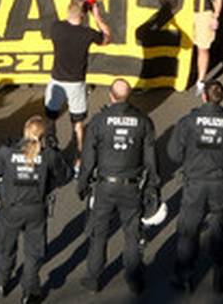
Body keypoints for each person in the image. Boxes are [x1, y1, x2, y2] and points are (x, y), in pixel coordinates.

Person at [76, 78, 159, 295]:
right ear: (128, 96)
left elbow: (88, 157)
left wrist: (82, 183)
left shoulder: (99, 121)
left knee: (99, 233)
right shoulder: (143, 121)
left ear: (111, 95)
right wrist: (152, 187)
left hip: (104, 186)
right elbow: (151, 159)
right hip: (132, 187)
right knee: (132, 234)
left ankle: (94, 279)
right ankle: (134, 279)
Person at [168, 79, 223, 293]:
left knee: (188, 231)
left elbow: (173, 153)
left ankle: (184, 276)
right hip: (221, 184)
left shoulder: (188, 122)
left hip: (194, 184)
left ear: (204, 97)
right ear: (221, 98)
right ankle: (221, 278)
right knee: (218, 230)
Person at [0, 115, 72, 303]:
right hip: (36, 210)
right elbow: (65, 176)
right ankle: (29, 291)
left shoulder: (7, 151)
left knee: (5, 246)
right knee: (34, 252)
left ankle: (1, 281)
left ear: (25, 131)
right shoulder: (49, 154)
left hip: (11, 208)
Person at [45, 0, 111, 160]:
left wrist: (82, 7)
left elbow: (70, 17)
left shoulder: (56, 28)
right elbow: (107, 38)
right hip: (76, 83)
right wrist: (96, 16)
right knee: (78, 122)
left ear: (68, 12)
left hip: (57, 80)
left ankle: (50, 148)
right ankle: (79, 156)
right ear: (83, 15)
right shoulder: (87, 34)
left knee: (50, 117)